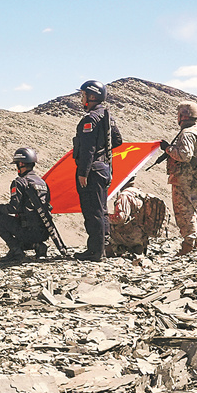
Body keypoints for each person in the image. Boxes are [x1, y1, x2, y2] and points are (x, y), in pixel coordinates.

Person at [73, 80, 123, 262]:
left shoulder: (90, 119)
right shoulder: (107, 116)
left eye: (83, 95)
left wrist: (83, 172)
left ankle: (95, 251)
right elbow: (117, 140)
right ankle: (102, 248)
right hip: (104, 169)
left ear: (92, 96)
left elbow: (88, 149)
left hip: (93, 171)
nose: (81, 99)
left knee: (92, 211)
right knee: (101, 210)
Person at [0, 148, 51, 261]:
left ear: (21, 164)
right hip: (44, 232)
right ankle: (38, 245)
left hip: (27, 231)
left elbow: (13, 208)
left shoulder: (20, 182)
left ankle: (15, 249)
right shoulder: (42, 183)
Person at [163, 101, 197, 255]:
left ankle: (188, 245)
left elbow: (184, 155)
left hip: (184, 180)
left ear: (183, 116)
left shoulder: (187, 133)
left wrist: (168, 149)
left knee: (184, 213)